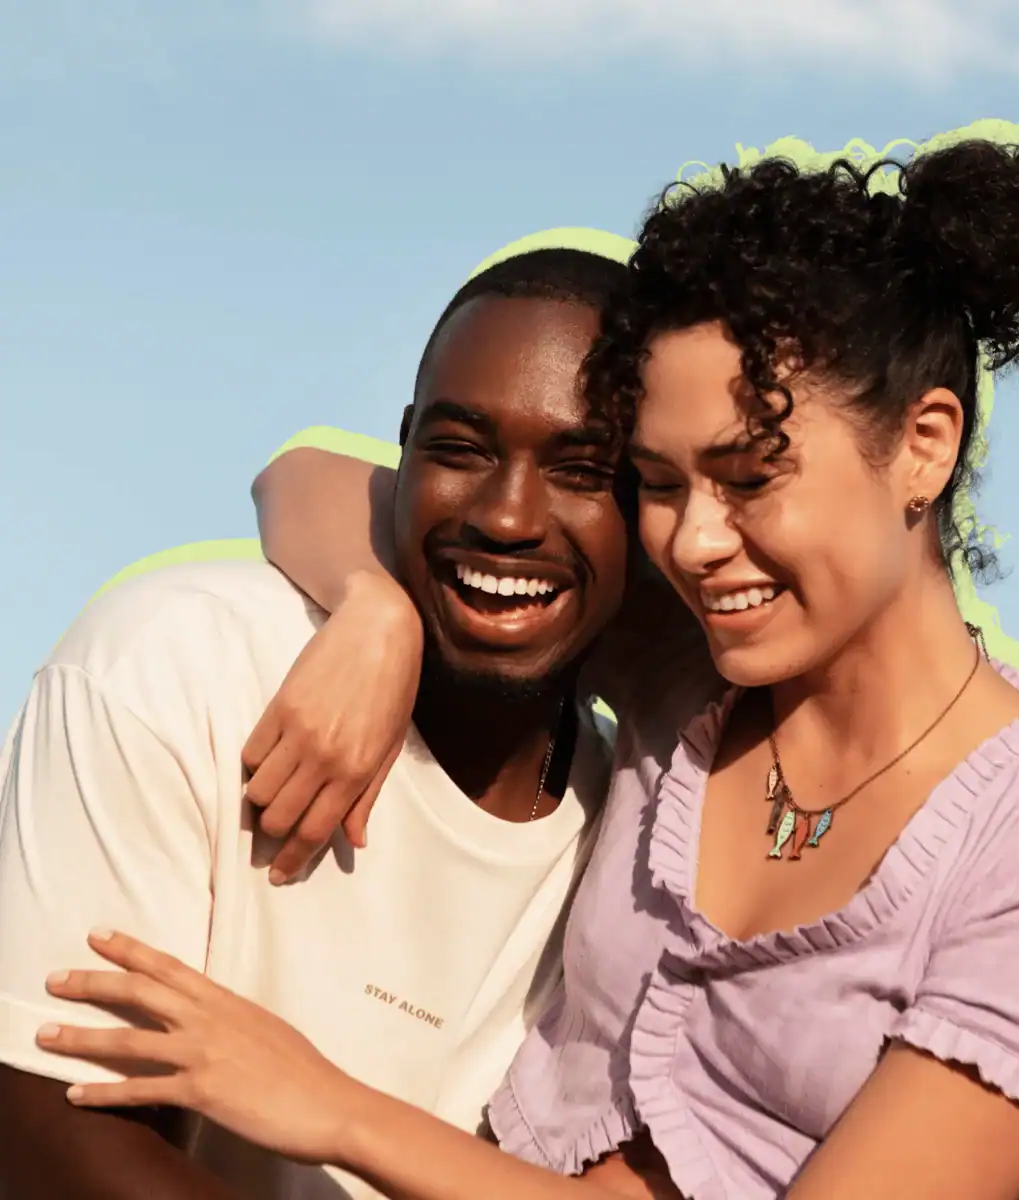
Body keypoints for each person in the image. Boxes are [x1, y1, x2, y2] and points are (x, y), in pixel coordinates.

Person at [37, 142, 1019, 1200]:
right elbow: (318, 477)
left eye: (748, 475)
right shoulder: (700, 676)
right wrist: (376, 613)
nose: (694, 541)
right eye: (660, 484)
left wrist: (337, 1113)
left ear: (924, 442)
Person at [0, 248, 636, 1199]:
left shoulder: (646, 833)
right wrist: (375, 610)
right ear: (405, 452)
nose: (507, 517)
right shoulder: (180, 660)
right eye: (460, 450)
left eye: (584, 470)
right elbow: (42, 1127)